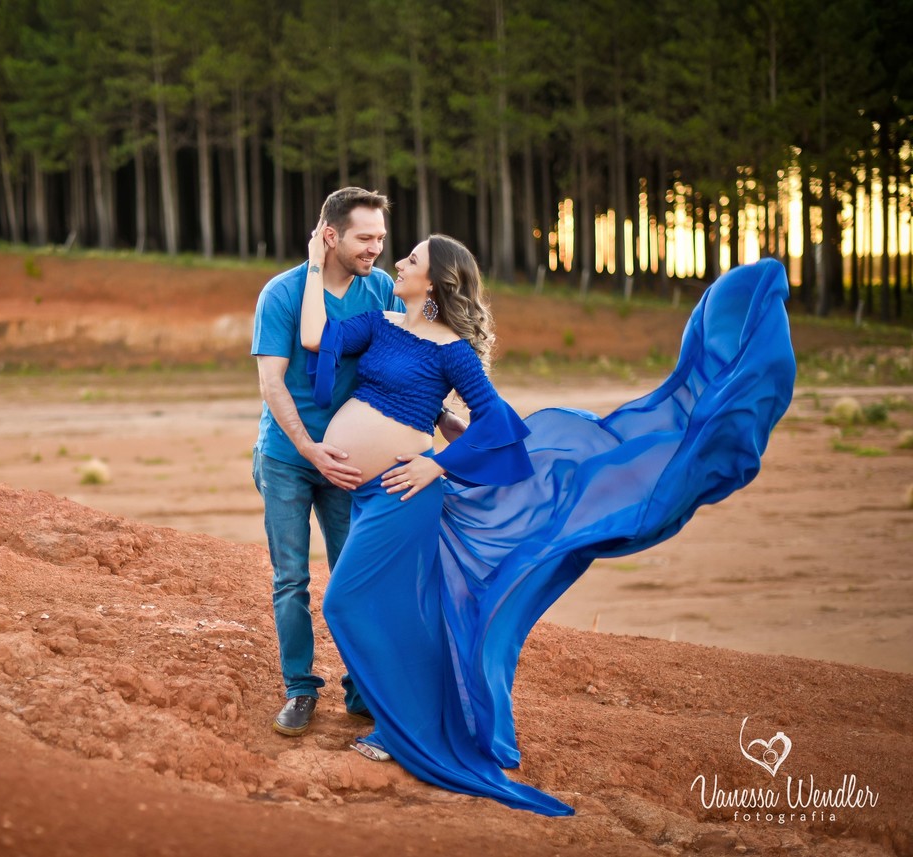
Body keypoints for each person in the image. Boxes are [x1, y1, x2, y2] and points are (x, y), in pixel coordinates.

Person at [300, 226, 796, 815]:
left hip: (406, 493)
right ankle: (399, 724)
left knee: (344, 604)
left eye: (412, 259)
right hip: (370, 493)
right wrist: (314, 264)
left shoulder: (452, 349)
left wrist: (437, 465)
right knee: (401, 610)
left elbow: (496, 425)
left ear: (434, 282)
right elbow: (317, 336)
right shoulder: (381, 322)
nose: (400, 263)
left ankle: (404, 733)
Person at [251, 187, 467, 738]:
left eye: (381, 239)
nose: (376, 249)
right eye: (364, 238)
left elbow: (408, 362)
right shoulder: (281, 293)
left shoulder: (382, 295)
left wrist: (441, 419)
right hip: (289, 459)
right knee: (291, 578)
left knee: (355, 577)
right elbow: (272, 382)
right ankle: (300, 690)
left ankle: (362, 688)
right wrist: (307, 448)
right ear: (331, 237)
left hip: (353, 469)